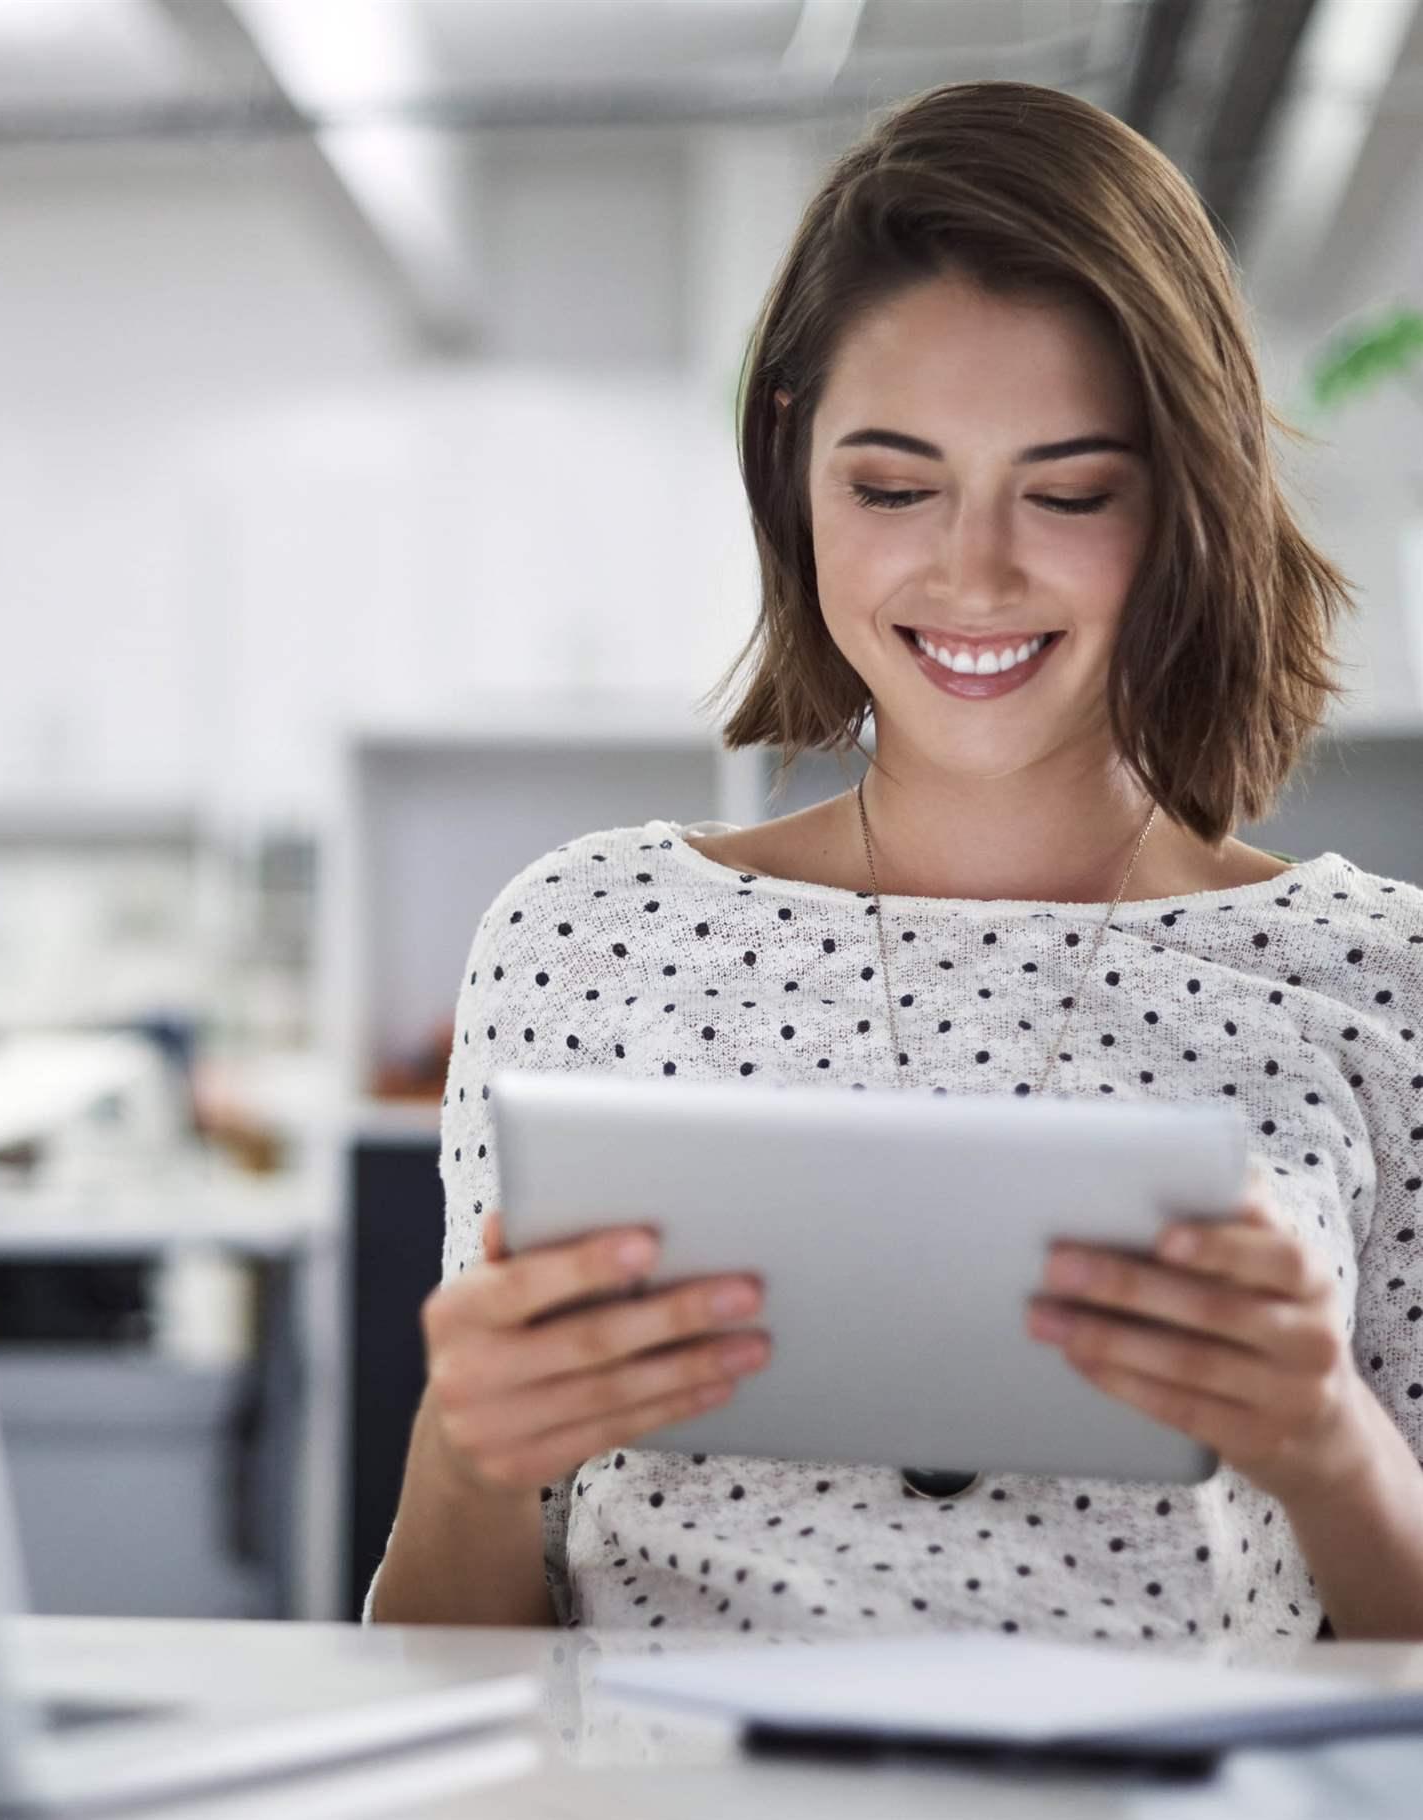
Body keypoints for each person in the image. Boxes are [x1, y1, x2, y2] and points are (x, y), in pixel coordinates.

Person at [365, 78, 1423, 1657]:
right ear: (794, 465)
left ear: (1189, 498)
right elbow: (440, 1648)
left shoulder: (1377, 981)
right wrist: (466, 1446)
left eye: (1070, 491)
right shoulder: (586, 936)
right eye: (892, 485)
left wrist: (1327, 1446)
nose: (973, 572)